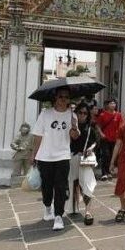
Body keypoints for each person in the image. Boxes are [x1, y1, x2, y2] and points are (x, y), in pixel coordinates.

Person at [30, 87, 81, 231]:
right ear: (55, 98)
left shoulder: (72, 115)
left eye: (66, 97)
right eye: (60, 96)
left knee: (60, 186)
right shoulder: (45, 114)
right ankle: (47, 206)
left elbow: (75, 136)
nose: (63, 99)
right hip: (45, 156)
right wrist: (34, 154)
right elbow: (38, 135)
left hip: (63, 156)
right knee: (47, 187)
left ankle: (59, 215)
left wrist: (75, 126)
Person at [66, 103, 98, 225]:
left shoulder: (91, 126)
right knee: (72, 182)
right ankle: (73, 207)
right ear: (76, 113)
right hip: (72, 156)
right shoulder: (70, 125)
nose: (83, 115)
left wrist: (91, 148)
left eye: (85, 113)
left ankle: (88, 212)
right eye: (80, 112)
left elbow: (95, 141)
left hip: (85, 158)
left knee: (87, 184)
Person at [97, 98, 122, 181]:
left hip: (115, 139)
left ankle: (110, 172)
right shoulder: (102, 115)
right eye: (111, 103)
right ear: (107, 105)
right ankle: (104, 173)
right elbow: (98, 126)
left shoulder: (118, 115)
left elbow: (120, 126)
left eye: (114, 103)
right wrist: (101, 134)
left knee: (112, 156)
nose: (113, 105)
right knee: (105, 155)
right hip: (105, 138)